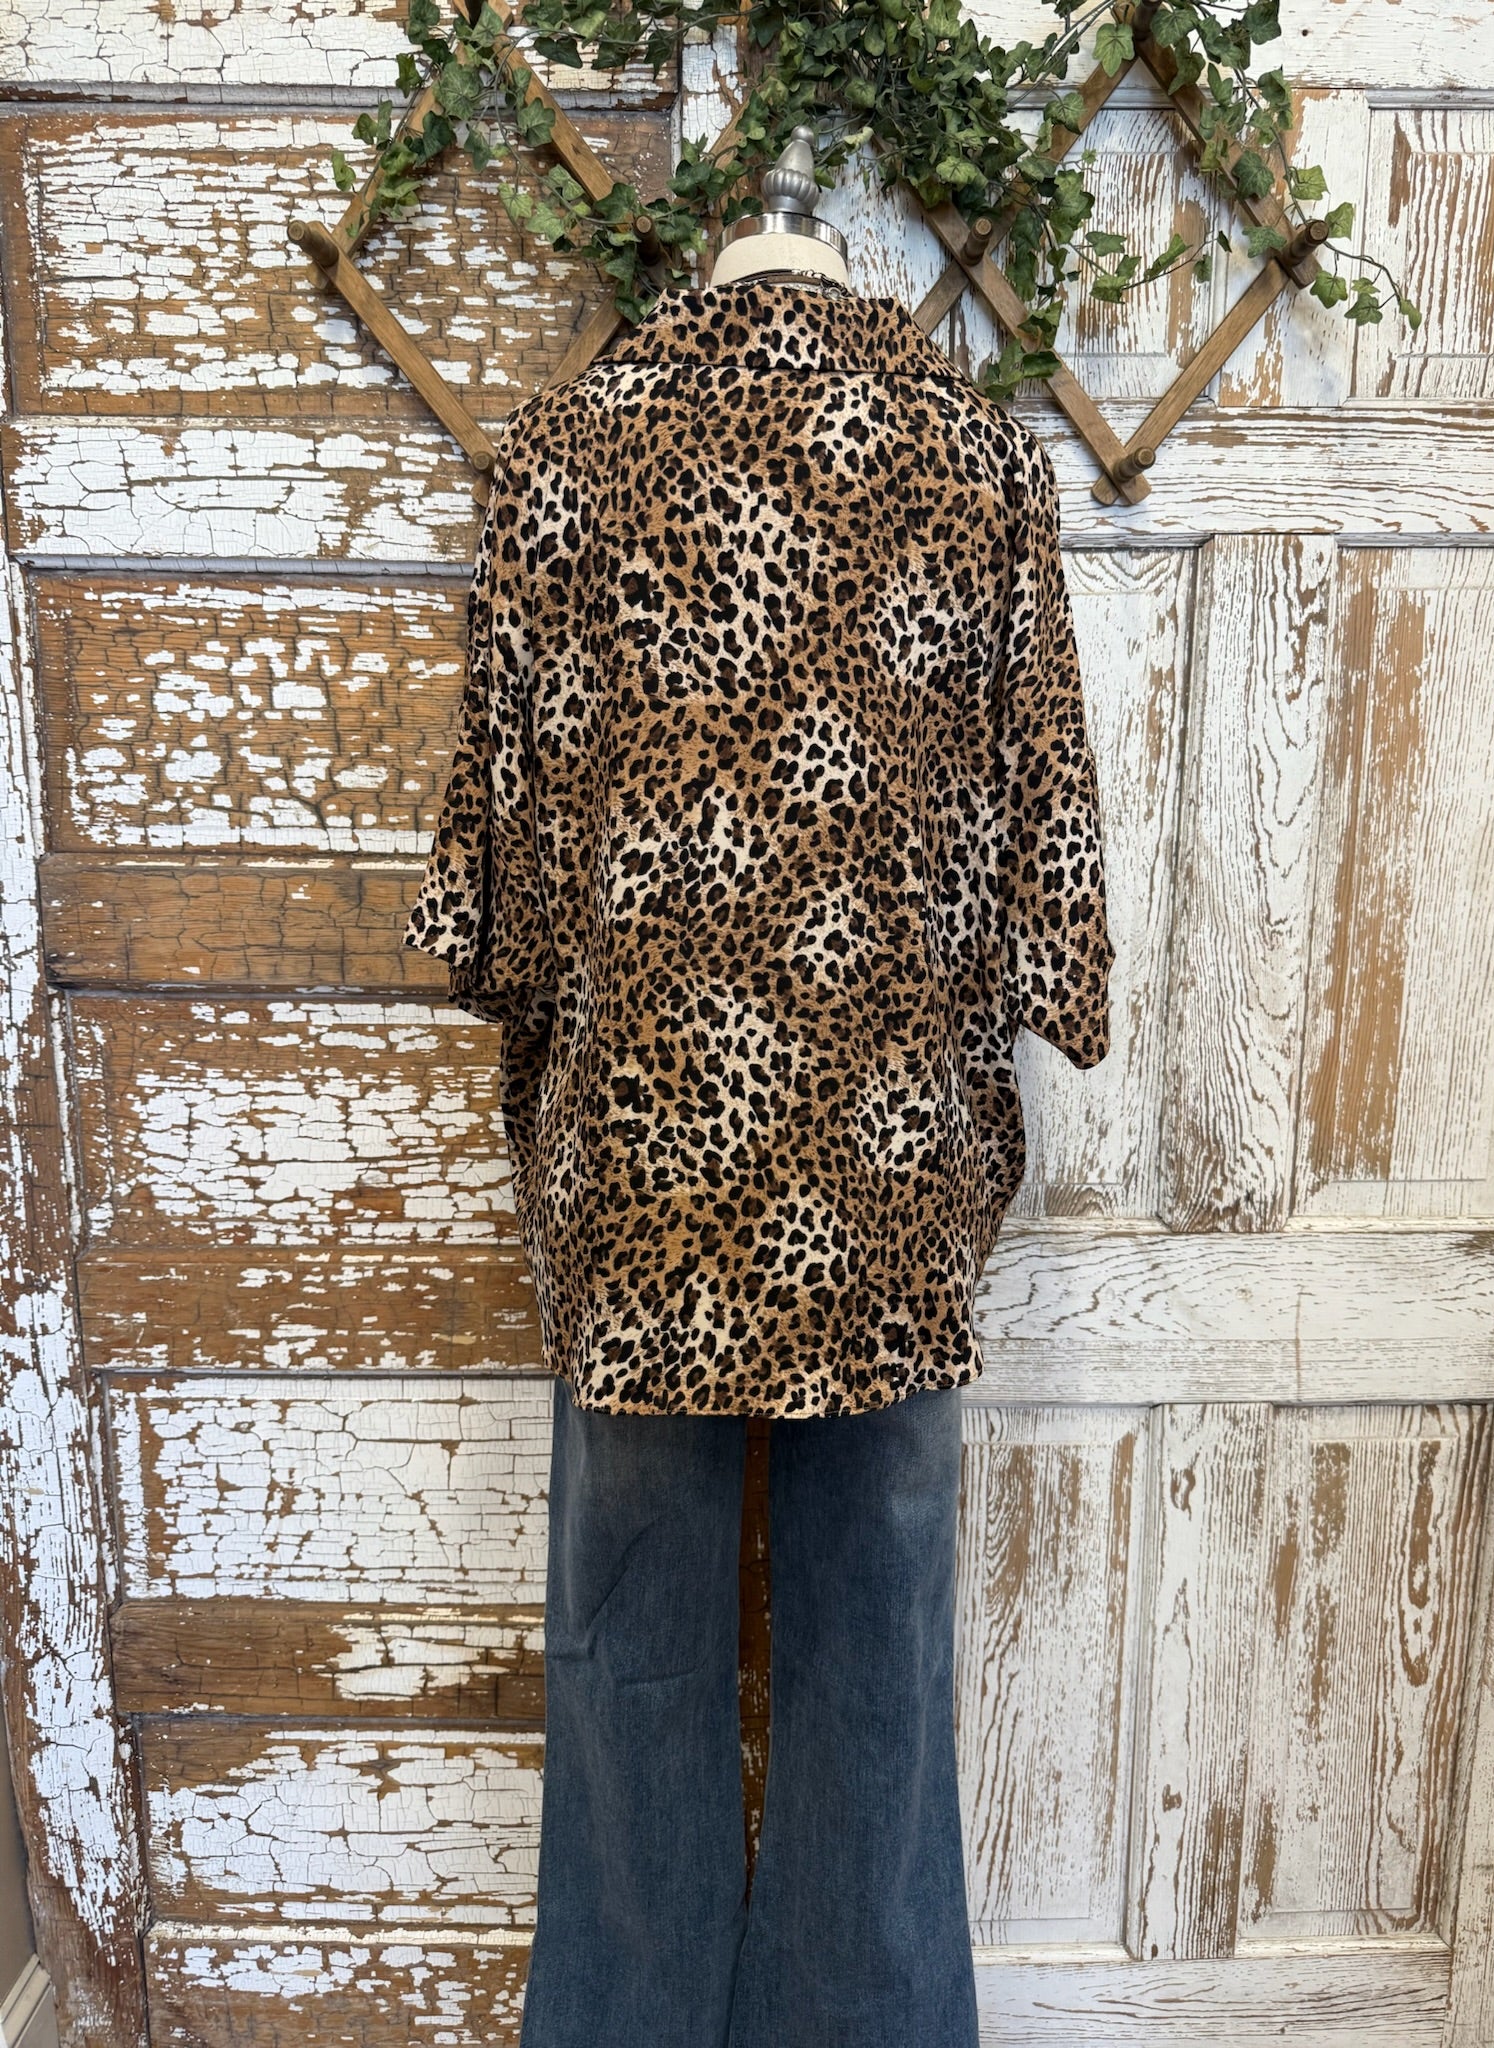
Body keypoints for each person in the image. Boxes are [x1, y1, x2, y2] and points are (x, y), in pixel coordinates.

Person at [403, 156, 1114, 2042]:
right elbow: (1052, 863)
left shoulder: (560, 461)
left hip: (633, 1181)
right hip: (885, 1186)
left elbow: (492, 893)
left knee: (628, 1654)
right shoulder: (970, 460)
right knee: (877, 1651)